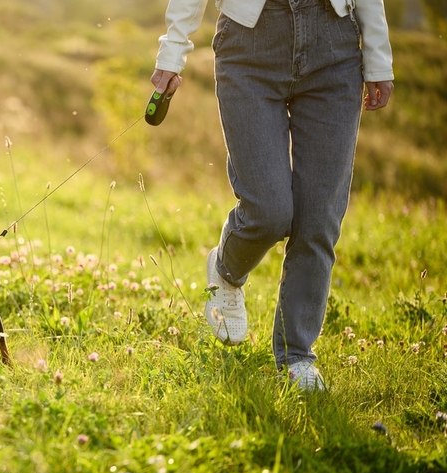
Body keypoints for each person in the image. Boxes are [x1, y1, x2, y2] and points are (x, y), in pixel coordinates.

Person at [151, 0, 394, 390]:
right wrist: (173, 51)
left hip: (333, 48)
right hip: (250, 45)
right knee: (269, 211)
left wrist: (379, 59)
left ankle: (296, 355)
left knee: (319, 218)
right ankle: (227, 270)